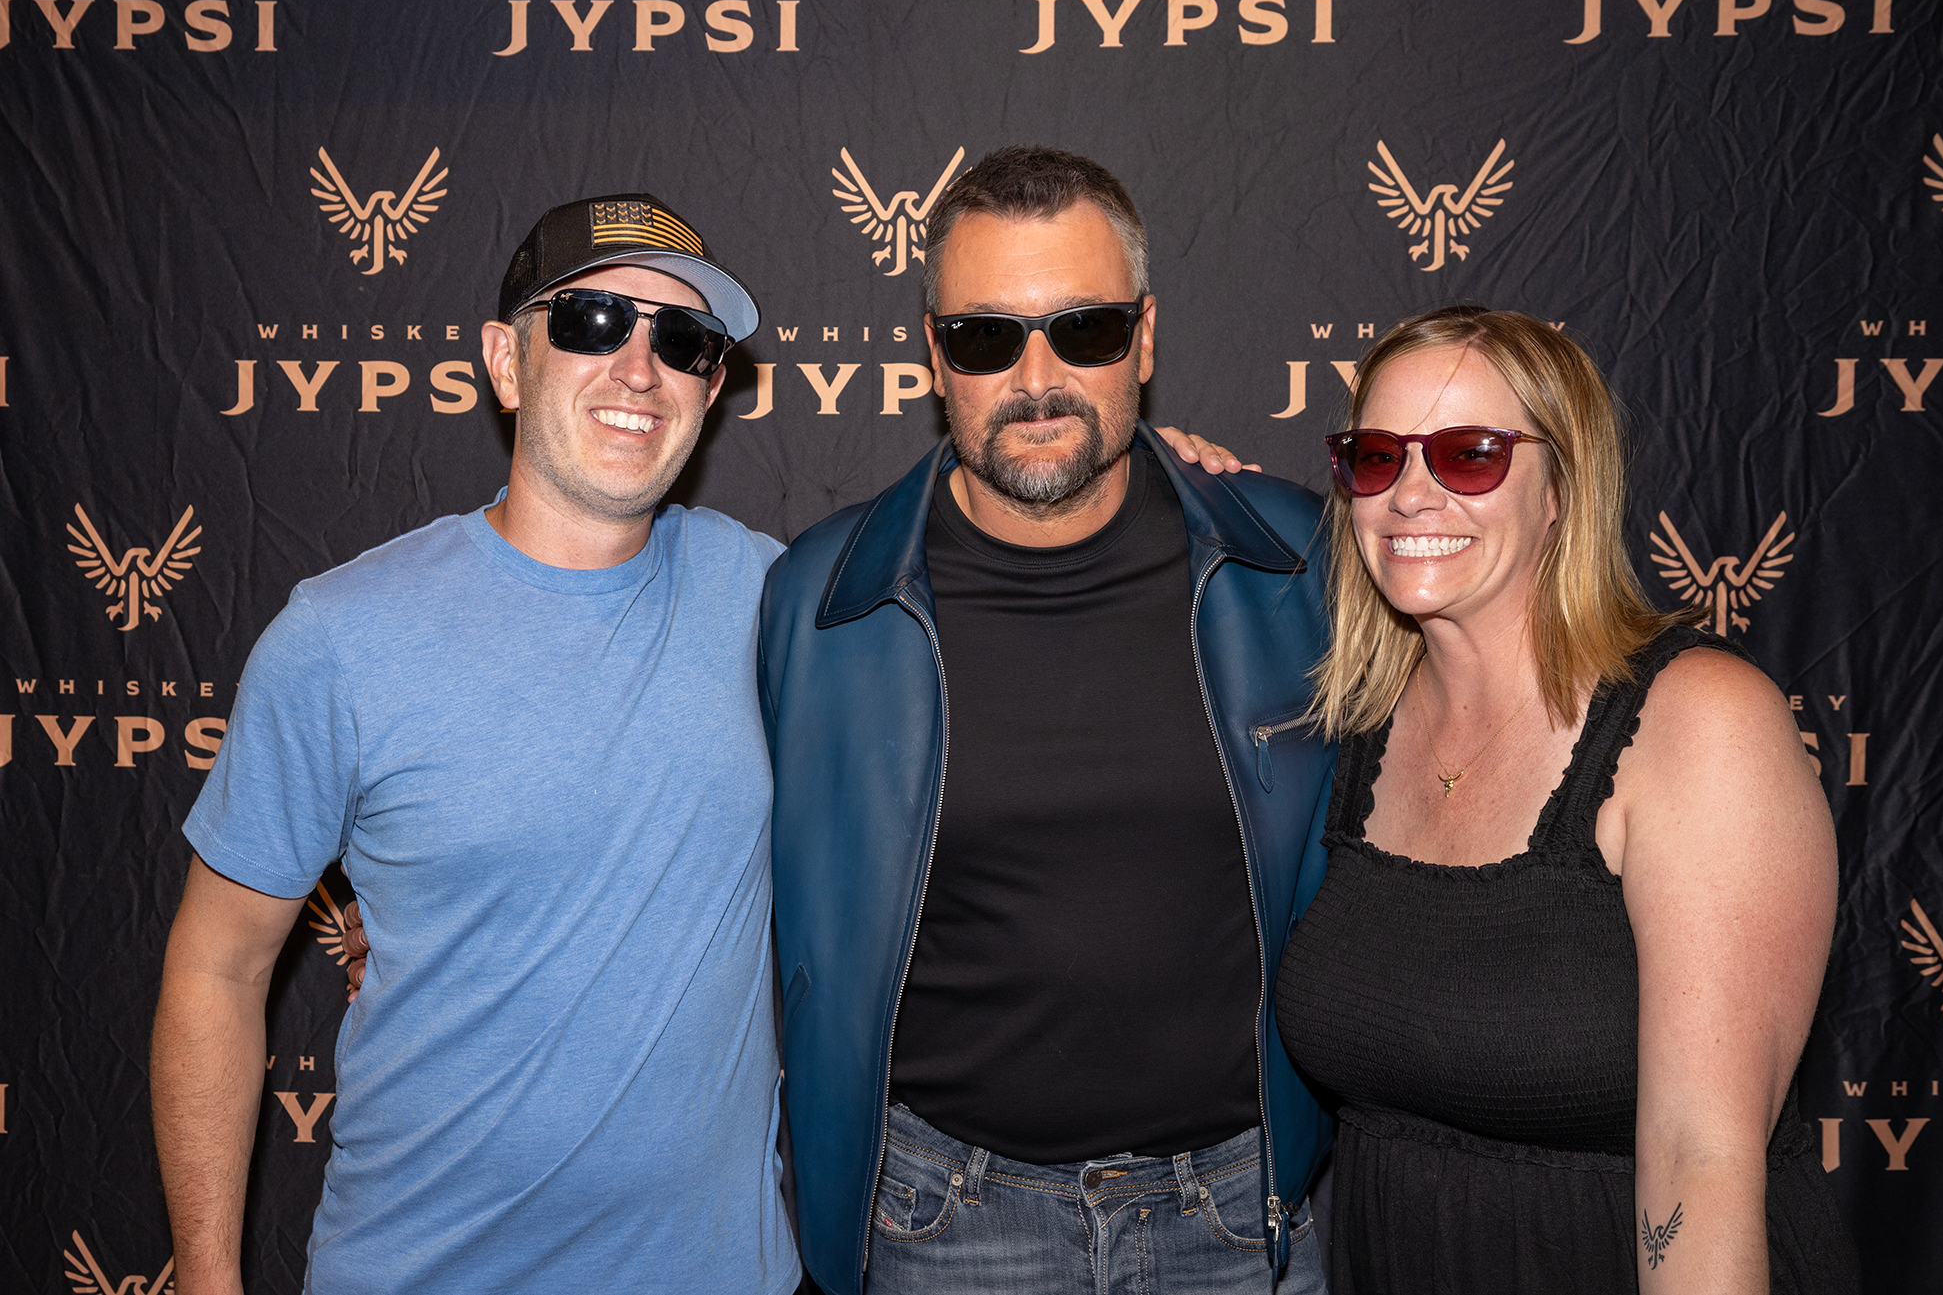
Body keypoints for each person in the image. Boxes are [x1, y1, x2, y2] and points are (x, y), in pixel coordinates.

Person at [150, 193, 803, 1295]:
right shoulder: (342, 637)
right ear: (506, 362)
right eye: (592, 321)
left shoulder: (772, 596)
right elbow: (218, 966)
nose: (639, 368)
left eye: (684, 340)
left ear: (709, 386)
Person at [758, 145, 1337, 1295]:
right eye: (986, 336)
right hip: (941, 1224)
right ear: (934, 354)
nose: (1036, 378)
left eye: (1085, 330)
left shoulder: (1295, 562)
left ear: (1144, 339)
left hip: (1240, 1214)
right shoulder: (819, 600)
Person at [1272, 307, 1858, 1293]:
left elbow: (1702, 1161)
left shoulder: (1697, 721)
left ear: (1560, 489)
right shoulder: (1358, 723)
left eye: (1469, 454)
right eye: (1375, 456)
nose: (1409, 493)